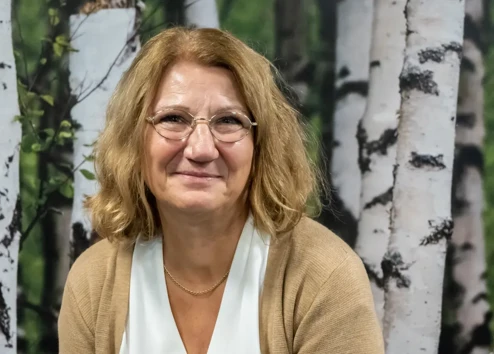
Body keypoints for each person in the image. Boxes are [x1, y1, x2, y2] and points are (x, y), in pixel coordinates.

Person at [57, 27, 384, 354]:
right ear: (134, 139)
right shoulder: (94, 282)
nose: (201, 149)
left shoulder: (324, 276)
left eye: (228, 121)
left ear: (261, 144)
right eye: (173, 118)